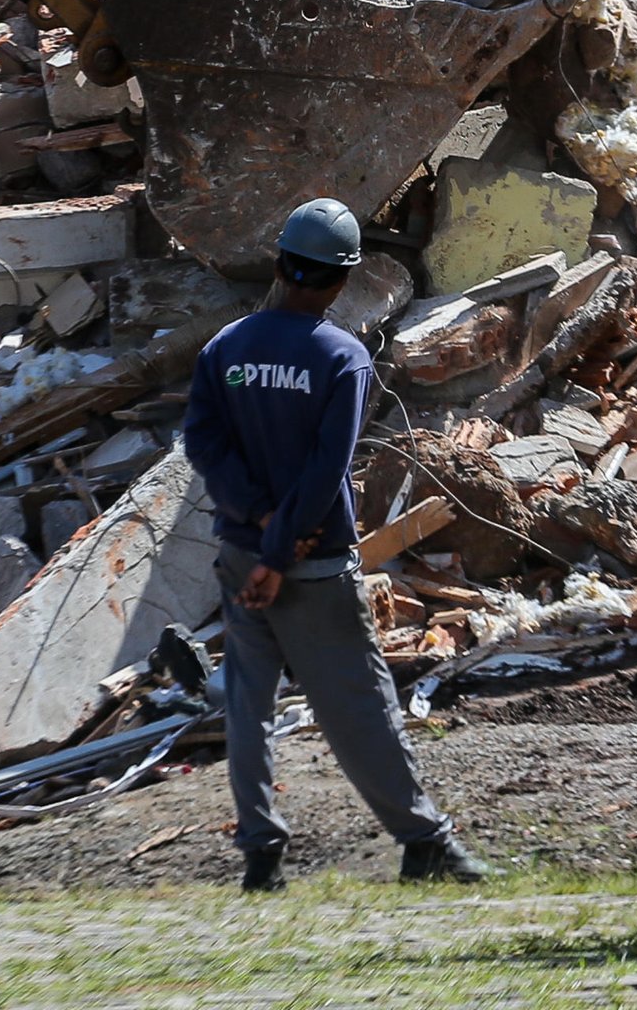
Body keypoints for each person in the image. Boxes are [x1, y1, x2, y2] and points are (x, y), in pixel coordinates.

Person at [179, 196, 489, 893]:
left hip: (239, 553)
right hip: (308, 566)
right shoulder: (340, 359)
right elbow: (324, 471)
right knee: (359, 703)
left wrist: (255, 524)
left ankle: (260, 852)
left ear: (281, 264)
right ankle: (423, 841)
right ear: (339, 280)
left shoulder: (225, 350)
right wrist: (279, 550)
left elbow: (201, 442)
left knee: (248, 704)